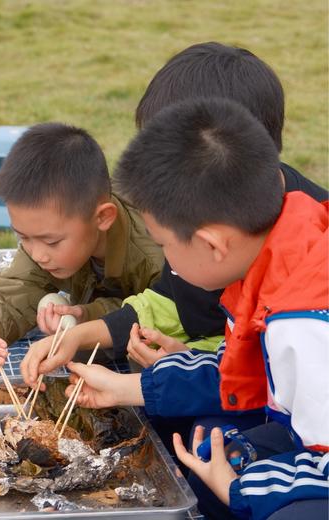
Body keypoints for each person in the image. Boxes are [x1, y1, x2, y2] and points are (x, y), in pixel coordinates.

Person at [39, 98, 328, 520]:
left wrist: (240, 488)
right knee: (212, 453)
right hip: (302, 433)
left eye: (164, 245)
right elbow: (240, 372)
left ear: (212, 244)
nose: (166, 262)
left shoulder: (302, 321)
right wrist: (125, 388)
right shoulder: (283, 246)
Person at [33, 42, 327, 370]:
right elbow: (170, 301)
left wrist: (187, 367)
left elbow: (265, 375)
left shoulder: (305, 269)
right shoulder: (201, 218)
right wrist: (83, 334)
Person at [0, 122, 164, 371]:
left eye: (51, 242)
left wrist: (91, 315)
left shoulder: (156, 251)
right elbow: (17, 290)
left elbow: (161, 315)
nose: (37, 254)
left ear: (102, 217)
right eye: (23, 237)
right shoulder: (50, 230)